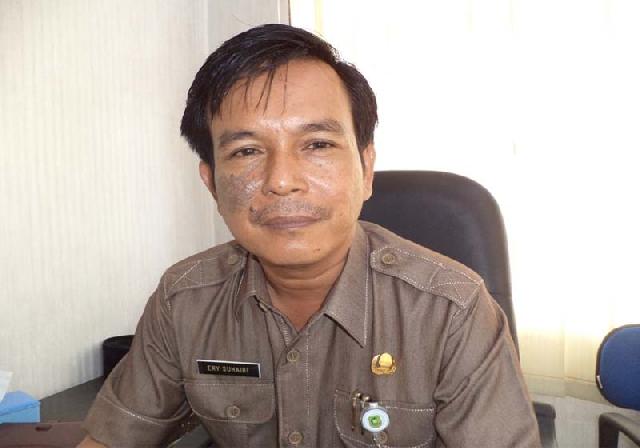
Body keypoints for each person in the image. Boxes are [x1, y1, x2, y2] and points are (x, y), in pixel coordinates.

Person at [78, 24, 541, 447]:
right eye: (247, 151)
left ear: (366, 169)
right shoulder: (184, 301)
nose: (282, 180)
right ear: (212, 183)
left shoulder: (453, 311)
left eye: (317, 144)